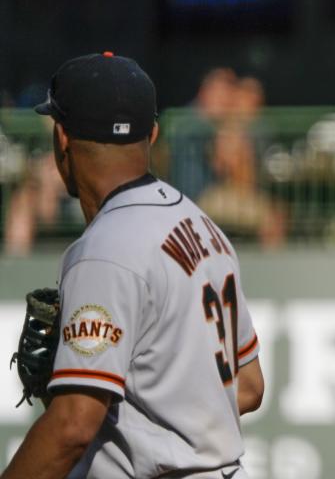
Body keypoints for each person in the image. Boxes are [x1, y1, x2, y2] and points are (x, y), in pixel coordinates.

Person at [2, 52, 264, 479]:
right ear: (153, 134)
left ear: (62, 140)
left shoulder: (104, 250)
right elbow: (249, 387)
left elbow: (72, 426)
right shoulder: (201, 225)